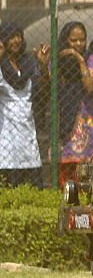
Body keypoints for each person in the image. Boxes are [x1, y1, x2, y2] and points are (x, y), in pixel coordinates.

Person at [54, 21, 93, 187]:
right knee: (65, 170)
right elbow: (47, 87)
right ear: (66, 40)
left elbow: (90, 86)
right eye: (74, 41)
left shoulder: (92, 59)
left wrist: (80, 61)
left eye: (82, 40)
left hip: (85, 119)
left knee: (85, 169)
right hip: (65, 119)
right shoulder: (57, 60)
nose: (79, 44)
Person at [0, 22, 44, 187]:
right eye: (11, 37)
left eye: (18, 36)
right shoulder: (1, 64)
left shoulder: (28, 61)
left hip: (27, 129)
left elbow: (42, 89)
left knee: (32, 181)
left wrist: (43, 66)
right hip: (6, 133)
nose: (16, 40)